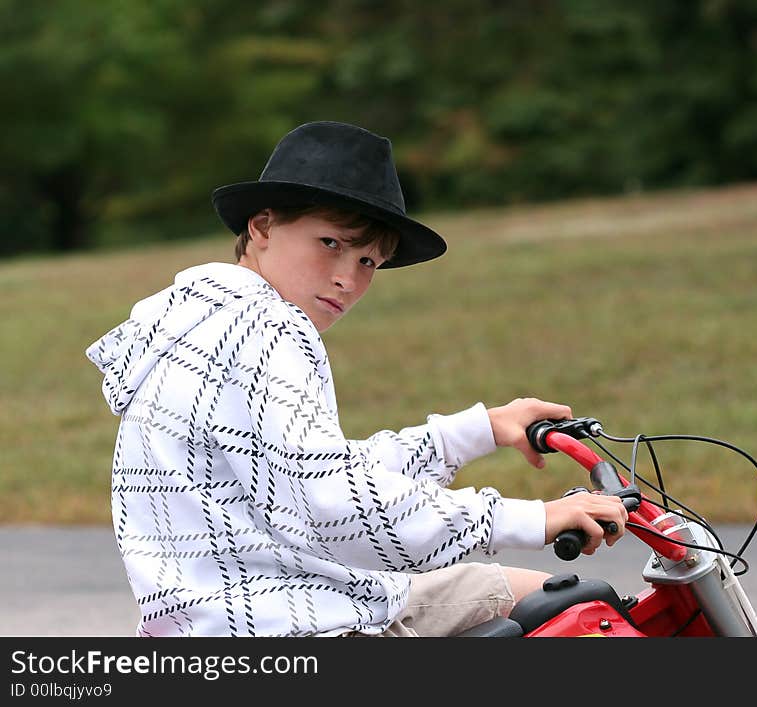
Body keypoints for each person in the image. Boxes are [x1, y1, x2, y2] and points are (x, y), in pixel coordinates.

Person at [86, 120, 628, 637]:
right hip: (299, 624)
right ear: (263, 226)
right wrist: (533, 518)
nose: (347, 277)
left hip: (217, 619)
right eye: (332, 244)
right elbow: (331, 503)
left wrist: (480, 429)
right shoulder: (271, 328)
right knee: (588, 613)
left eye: (369, 261)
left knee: (518, 594)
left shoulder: (197, 323)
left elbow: (305, 472)